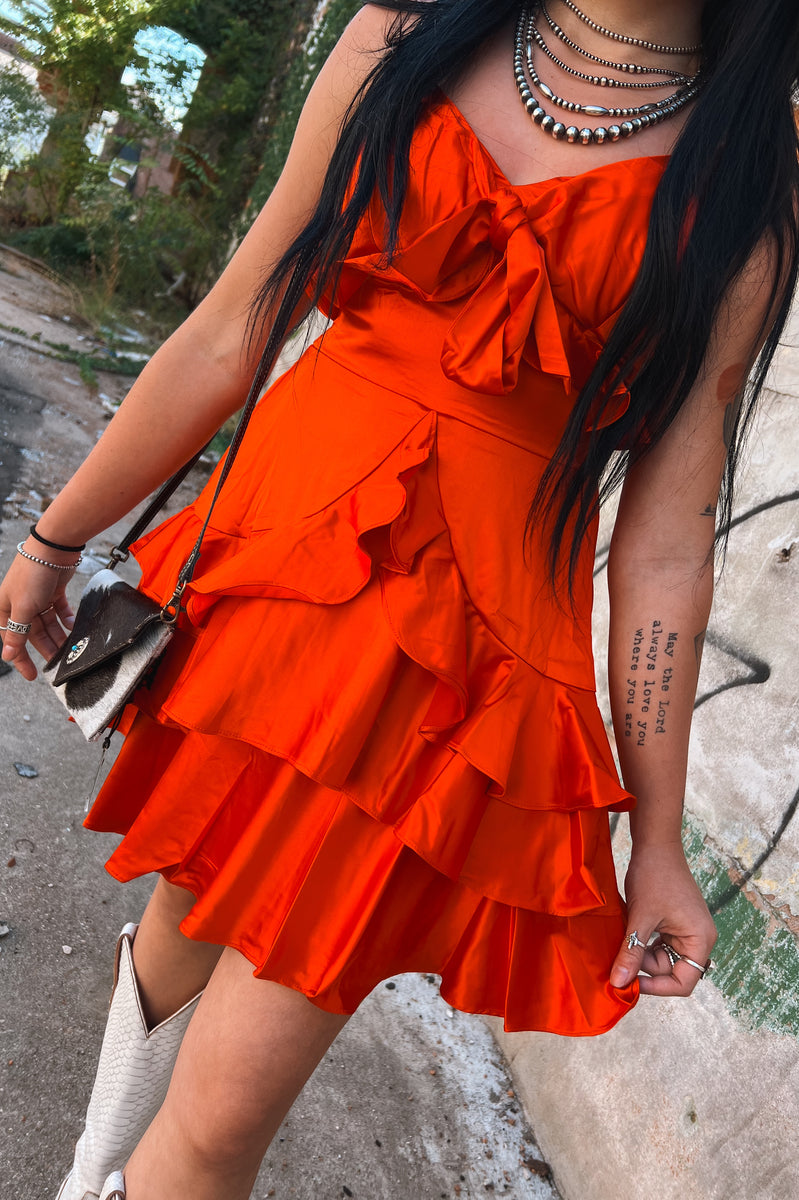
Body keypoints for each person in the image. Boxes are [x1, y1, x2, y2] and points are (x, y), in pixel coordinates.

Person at [1, 1, 797, 1197]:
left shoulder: (743, 192)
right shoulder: (405, 31)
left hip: (448, 685)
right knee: (185, 913)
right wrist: (57, 536)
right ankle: (92, 1171)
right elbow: (231, 330)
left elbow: (666, 549)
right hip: (277, 586)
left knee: (223, 1116)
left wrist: (659, 838)